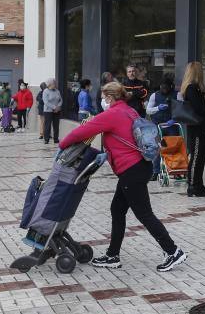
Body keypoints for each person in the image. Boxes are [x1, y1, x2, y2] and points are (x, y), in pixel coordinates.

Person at [57, 81, 188, 272]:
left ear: (110, 97)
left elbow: (82, 131)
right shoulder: (129, 110)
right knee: (117, 210)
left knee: (144, 214)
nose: (102, 100)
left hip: (131, 170)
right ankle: (112, 256)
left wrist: (61, 146)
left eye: (104, 97)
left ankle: (173, 251)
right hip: (140, 166)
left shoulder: (112, 114)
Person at [179, 62, 205, 197]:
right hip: (196, 127)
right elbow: (198, 107)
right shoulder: (191, 88)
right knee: (197, 155)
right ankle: (193, 185)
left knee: (202, 154)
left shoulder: (196, 88)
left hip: (200, 126)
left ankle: (199, 184)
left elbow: (201, 106)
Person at [146, 77, 178, 181]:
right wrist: (158, 108)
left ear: (170, 87)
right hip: (157, 124)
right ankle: (156, 171)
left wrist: (175, 119)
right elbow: (148, 110)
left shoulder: (177, 95)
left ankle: (175, 170)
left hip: (171, 125)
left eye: (166, 87)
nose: (163, 89)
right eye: (162, 87)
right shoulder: (155, 95)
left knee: (173, 148)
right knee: (157, 148)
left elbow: (182, 109)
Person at [42, 79, 63, 144]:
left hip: (57, 111)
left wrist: (58, 107)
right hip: (48, 111)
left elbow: (60, 100)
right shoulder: (45, 91)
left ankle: (56, 139)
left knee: (56, 125)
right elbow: (46, 102)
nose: (55, 84)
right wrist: (54, 107)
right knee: (47, 125)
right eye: (54, 83)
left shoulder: (57, 91)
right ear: (50, 84)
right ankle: (46, 139)